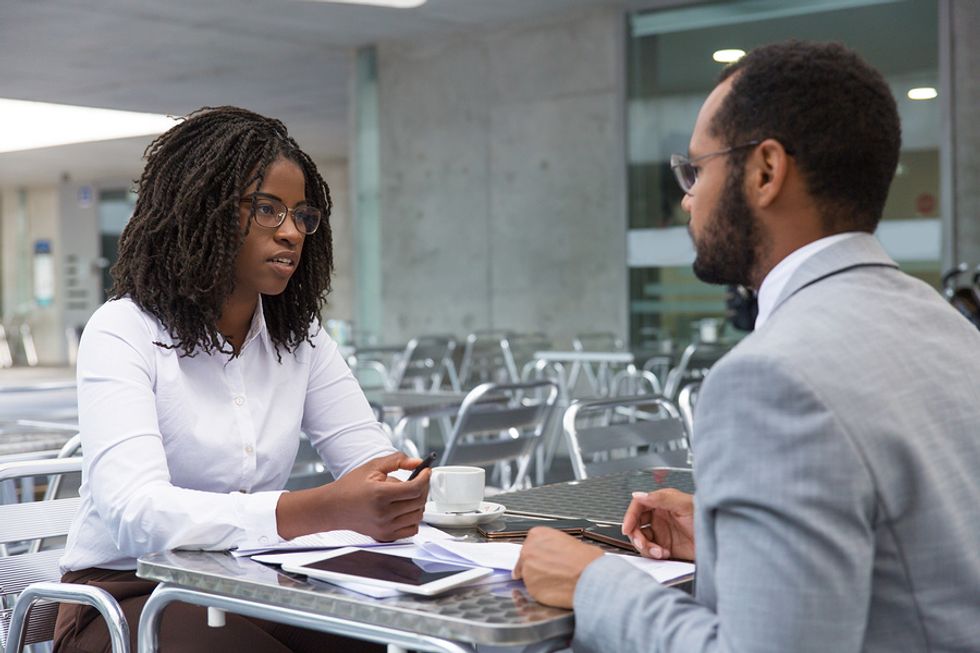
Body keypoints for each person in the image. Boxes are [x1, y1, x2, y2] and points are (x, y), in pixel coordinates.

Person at [514, 40, 980, 652]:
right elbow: (922, 561)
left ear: (765, 171)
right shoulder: (951, 330)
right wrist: (731, 544)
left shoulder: (772, 378)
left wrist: (592, 582)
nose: (687, 198)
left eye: (697, 170)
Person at [55, 106, 430, 653]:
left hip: (254, 581)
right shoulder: (123, 330)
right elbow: (138, 514)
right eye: (267, 209)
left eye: (302, 215)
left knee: (395, 639)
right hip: (127, 594)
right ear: (201, 211)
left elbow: (369, 461)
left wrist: (399, 491)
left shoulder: (299, 338)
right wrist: (321, 508)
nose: (292, 233)